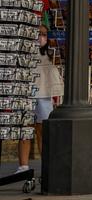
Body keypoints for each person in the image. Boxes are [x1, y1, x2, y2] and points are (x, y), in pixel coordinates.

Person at [16, 26, 62, 174]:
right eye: (38, 34)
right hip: (27, 95)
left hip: (44, 96)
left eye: (43, 34)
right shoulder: (24, 52)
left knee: (42, 132)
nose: (40, 37)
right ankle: (23, 166)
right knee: (26, 131)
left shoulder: (52, 53)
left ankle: (46, 165)